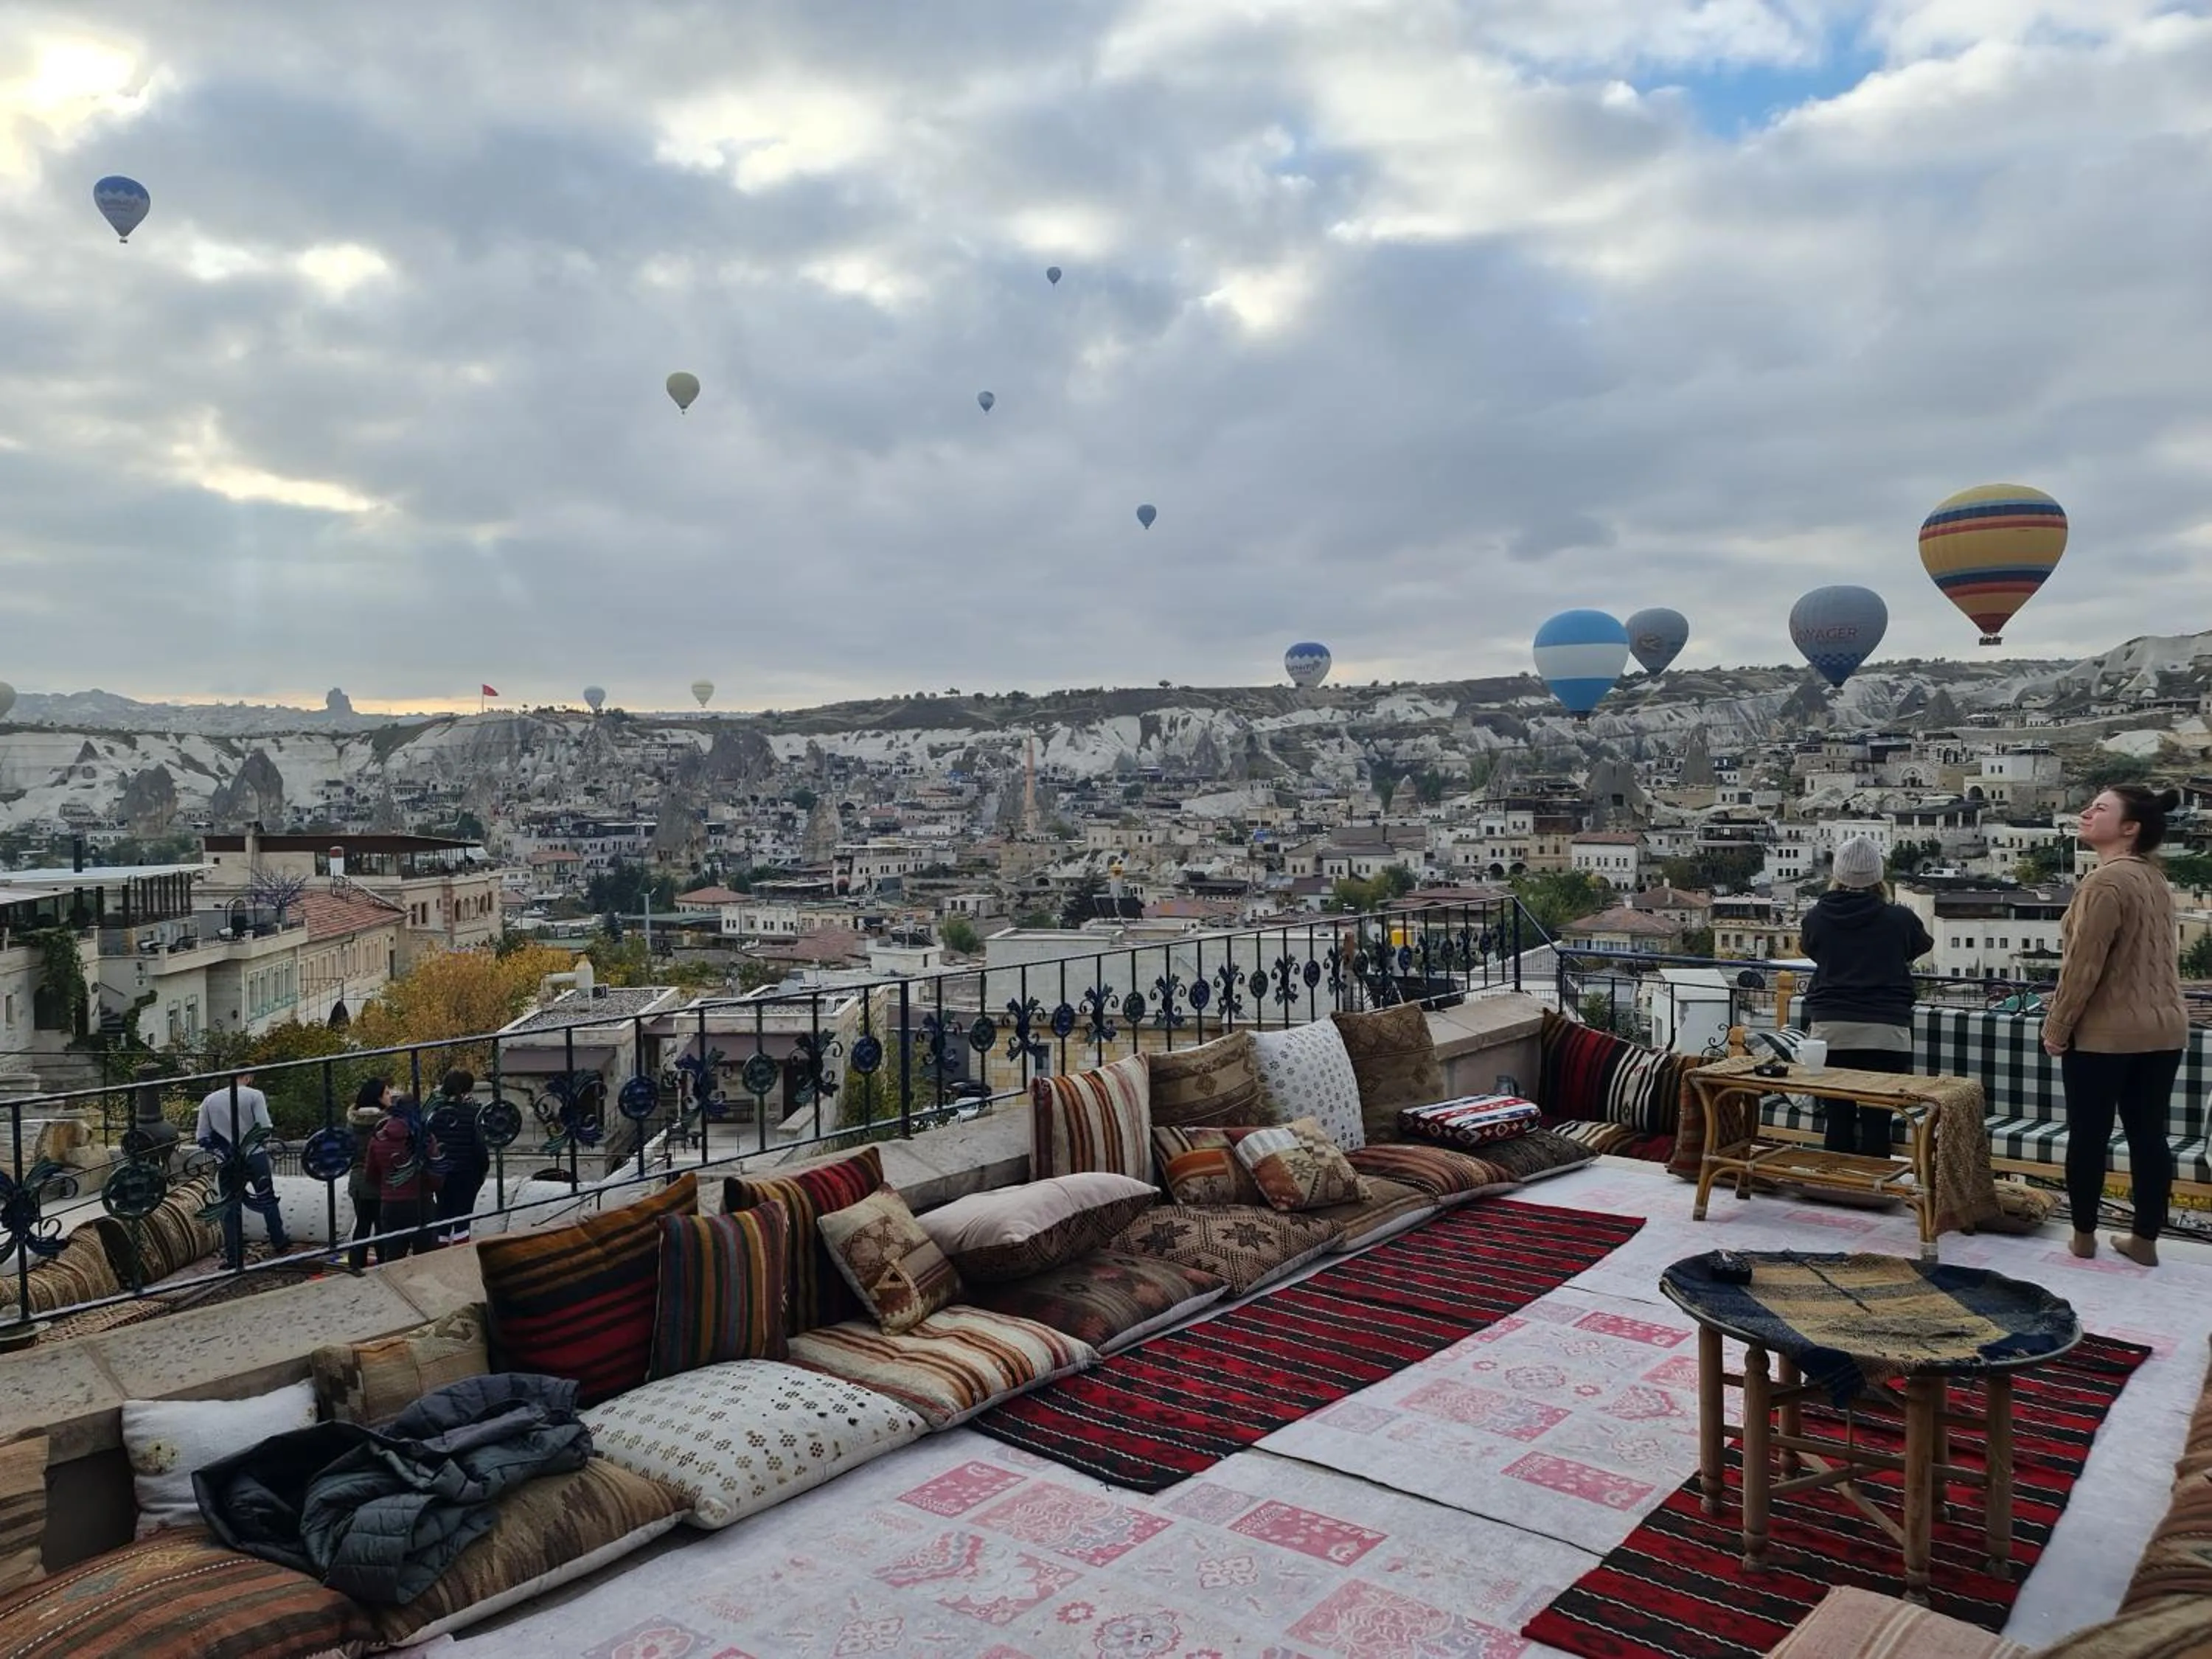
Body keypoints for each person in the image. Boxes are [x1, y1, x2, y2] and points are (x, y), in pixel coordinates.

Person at [2042, 785, 2188, 1267]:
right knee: (2149, 1135)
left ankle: (2084, 1236)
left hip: (2106, 1033)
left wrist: (2058, 1026)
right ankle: (2144, 1241)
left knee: (2089, 1134)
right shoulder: (2155, 879)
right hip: (2164, 1029)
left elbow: (2084, 967)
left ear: (2131, 828)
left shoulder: (2104, 883)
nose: (2086, 812)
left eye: (2100, 808)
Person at [1798, 837, 1935, 1157]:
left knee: (1838, 1119)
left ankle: (1837, 1189)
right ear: (1878, 876)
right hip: (1886, 1032)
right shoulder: (1899, 920)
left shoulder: (1817, 917)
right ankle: (1873, 1193)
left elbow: (1810, 948)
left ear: (1838, 874)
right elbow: (1920, 945)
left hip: (1831, 1032)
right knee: (1878, 1122)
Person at [194, 1071, 292, 1267]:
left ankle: (234, 1257)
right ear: (248, 1077)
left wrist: (223, 1150)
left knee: (230, 1207)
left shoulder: (209, 1100)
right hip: (254, 1155)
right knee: (266, 1198)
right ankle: (279, 1241)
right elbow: (264, 1127)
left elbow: (202, 1136)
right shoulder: (255, 1095)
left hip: (226, 1160)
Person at [363, 1096, 441, 1262]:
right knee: (426, 1259)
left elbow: (370, 1175)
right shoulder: (425, 1138)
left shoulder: (378, 1139)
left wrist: (388, 1188)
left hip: (391, 1205)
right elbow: (435, 1173)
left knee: (393, 1256)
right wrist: (434, 1187)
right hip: (421, 1203)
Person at [429, 1068, 487, 1245]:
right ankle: (460, 1253)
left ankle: (441, 1253)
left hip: (441, 1172)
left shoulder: (435, 1113)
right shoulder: (473, 1114)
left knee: (443, 1213)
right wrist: (483, 1169)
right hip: (466, 1172)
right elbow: (479, 1146)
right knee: (463, 1217)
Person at [345, 1077, 392, 1272]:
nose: (390, 1097)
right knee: (382, 1226)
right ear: (379, 1098)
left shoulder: (352, 1123)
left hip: (357, 1180)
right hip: (379, 1179)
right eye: (387, 1093)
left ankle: (356, 1264)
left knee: (362, 1224)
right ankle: (384, 1263)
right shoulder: (384, 1123)